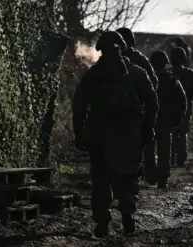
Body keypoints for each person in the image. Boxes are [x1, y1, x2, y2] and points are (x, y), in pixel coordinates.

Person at [72, 31, 158, 237]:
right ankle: (127, 213)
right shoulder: (136, 72)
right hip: (130, 133)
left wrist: (79, 134)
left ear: (100, 50)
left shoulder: (93, 75)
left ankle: (102, 222)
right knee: (128, 176)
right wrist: (147, 128)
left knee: (101, 179)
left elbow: (79, 107)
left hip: (100, 134)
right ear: (122, 48)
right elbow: (152, 102)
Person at [116, 27, 159, 184]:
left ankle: (144, 175)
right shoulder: (138, 59)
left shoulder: (111, 59)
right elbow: (153, 83)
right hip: (131, 110)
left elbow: (152, 82)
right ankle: (147, 175)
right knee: (145, 139)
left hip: (123, 110)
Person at [149, 50, 187, 188]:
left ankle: (150, 175)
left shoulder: (146, 78)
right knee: (164, 150)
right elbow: (183, 102)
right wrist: (177, 119)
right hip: (165, 121)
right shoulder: (172, 80)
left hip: (149, 120)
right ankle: (162, 179)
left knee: (148, 149)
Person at [170, 47, 193, 168]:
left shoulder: (167, 72)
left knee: (169, 133)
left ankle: (169, 157)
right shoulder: (189, 73)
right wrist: (192, 96)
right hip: (184, 107)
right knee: (182, 132)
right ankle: (180, 158)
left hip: (167, 108)